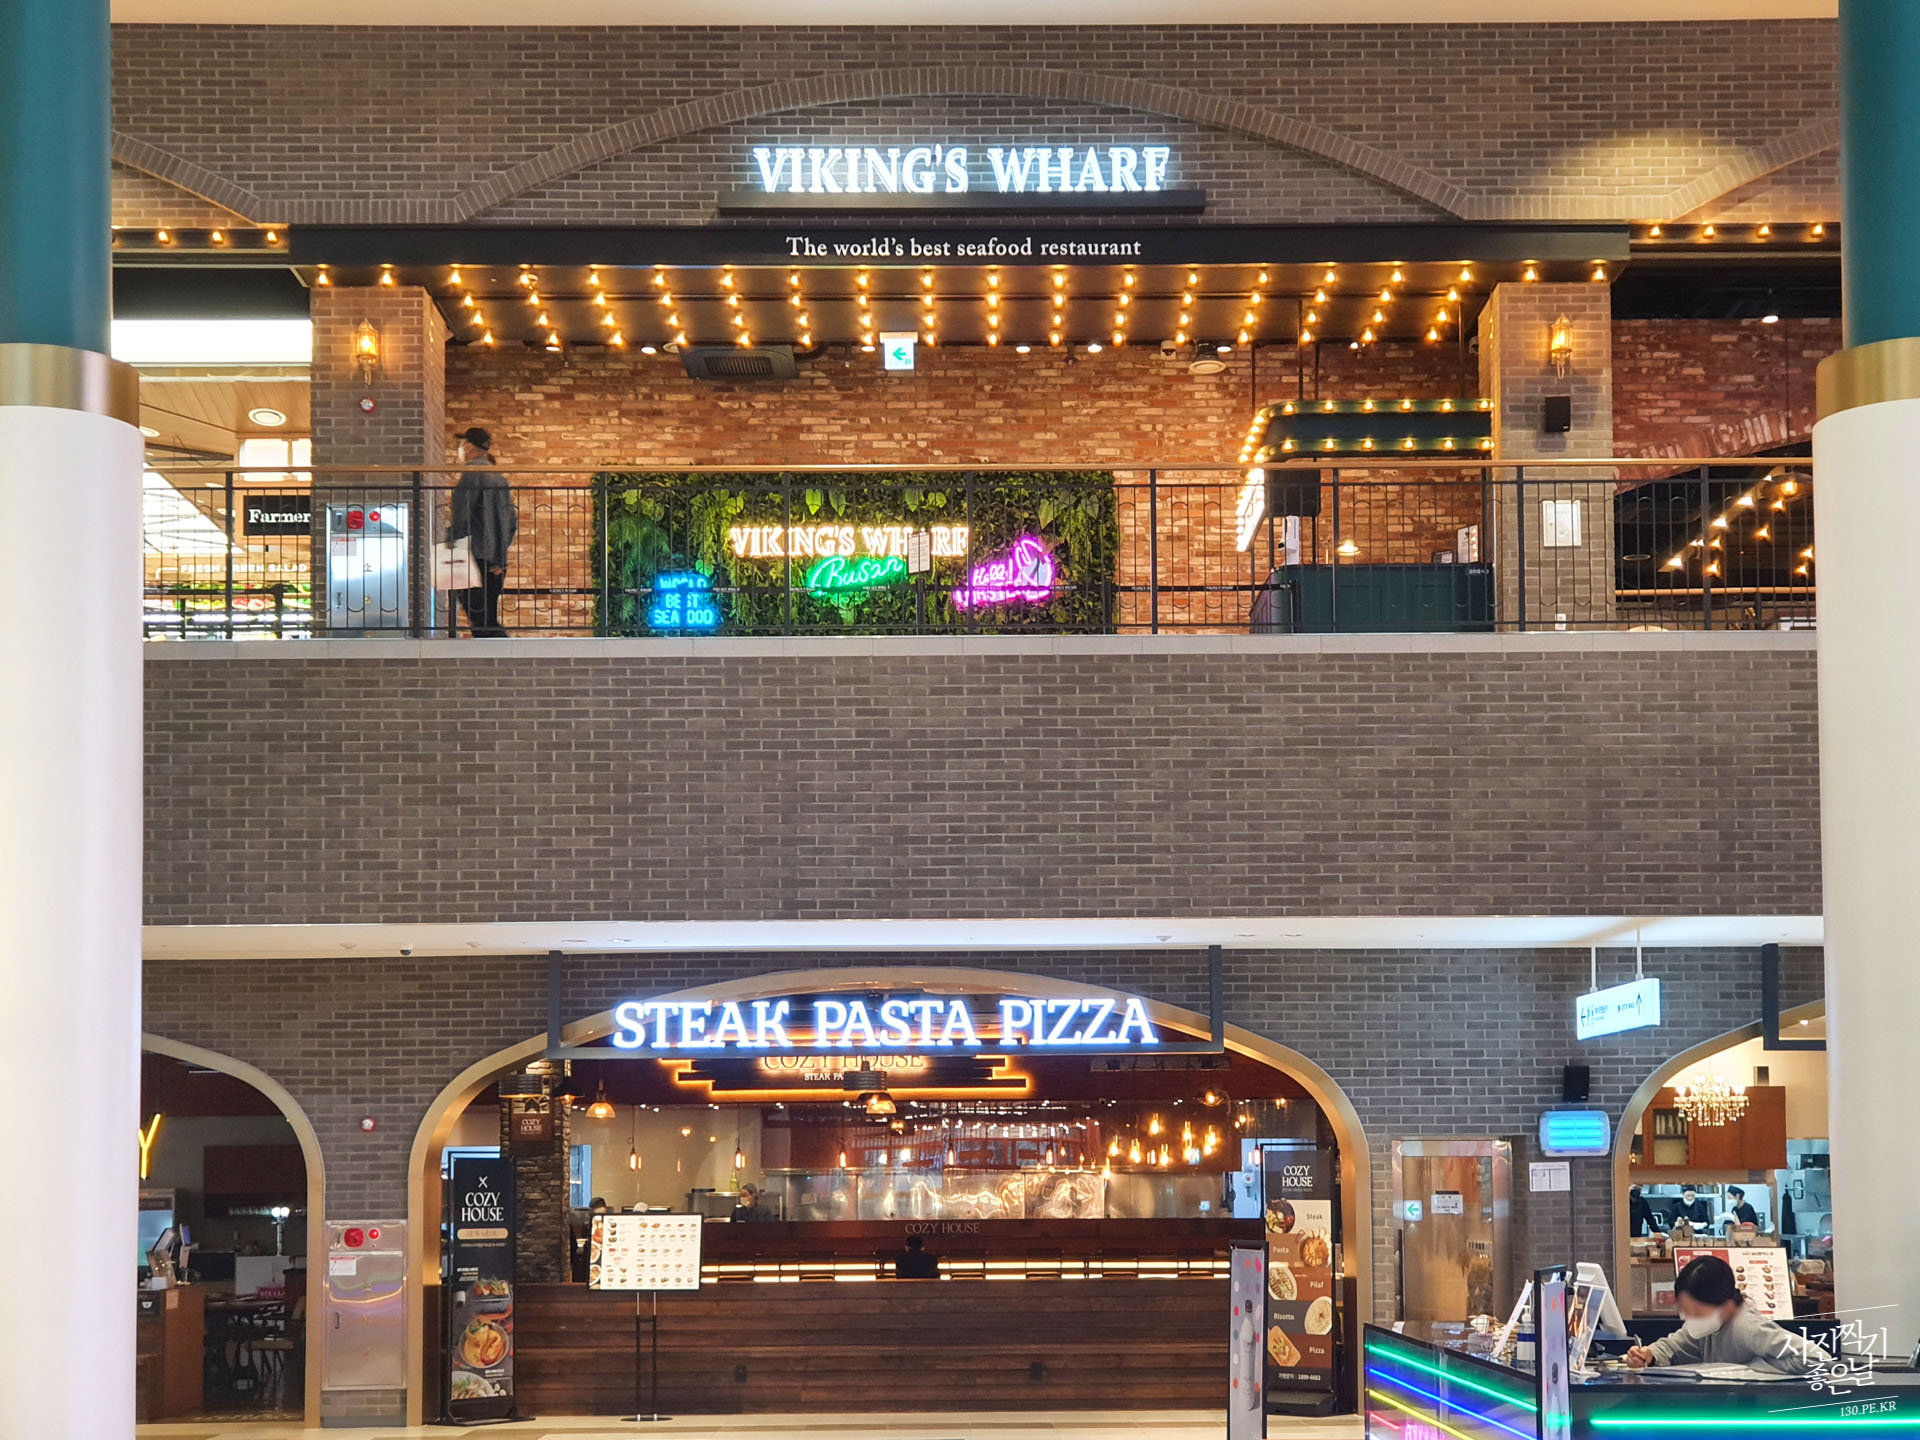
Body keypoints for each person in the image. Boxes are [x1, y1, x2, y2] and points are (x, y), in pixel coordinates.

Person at [1625, 1255, 1830, 1374]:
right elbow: (1673, 1347)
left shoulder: (1747, 1328)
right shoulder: (1707, 1327)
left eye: (1696, 1310)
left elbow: (1817, 1358)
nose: (1688, 1317)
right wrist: (1648, 1356)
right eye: (1685, 1309)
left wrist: (1751, 1369)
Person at [447, 426, 517, 638]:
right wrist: (501, 553)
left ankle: (504, 649)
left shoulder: (471, 475)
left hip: (473, 551)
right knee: (487, 612)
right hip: (495, 556)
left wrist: (452, 541)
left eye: (462, 445)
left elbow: (462, 513)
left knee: (476, 612)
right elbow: (511, 521)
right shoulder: (500, 478)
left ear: (470, 447)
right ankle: (501, 651)